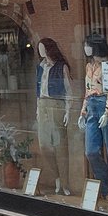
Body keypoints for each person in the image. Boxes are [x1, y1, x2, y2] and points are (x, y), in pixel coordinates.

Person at [79, 32, 108, 211]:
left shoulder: (107, 67)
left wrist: (107, 113)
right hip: (91, 107)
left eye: (87, 44)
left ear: (95, 46)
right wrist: (83, 112)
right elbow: (88, 90)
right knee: (91, 151)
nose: (85, 48)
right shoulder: (88, 67)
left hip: (105, 106)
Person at [35, 37, 73, 196]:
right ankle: (56, 177)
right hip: (43, 105)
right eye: (39, 48)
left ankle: (64, 184)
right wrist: (37, 110)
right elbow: (38, 90)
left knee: (60, 146)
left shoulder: (61, 67)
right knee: (44, 145)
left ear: (49, 49)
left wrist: (68, 110)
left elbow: (69, 91)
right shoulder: (40, 68)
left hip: (57, 105)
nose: (40, 51)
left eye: (42, 48)